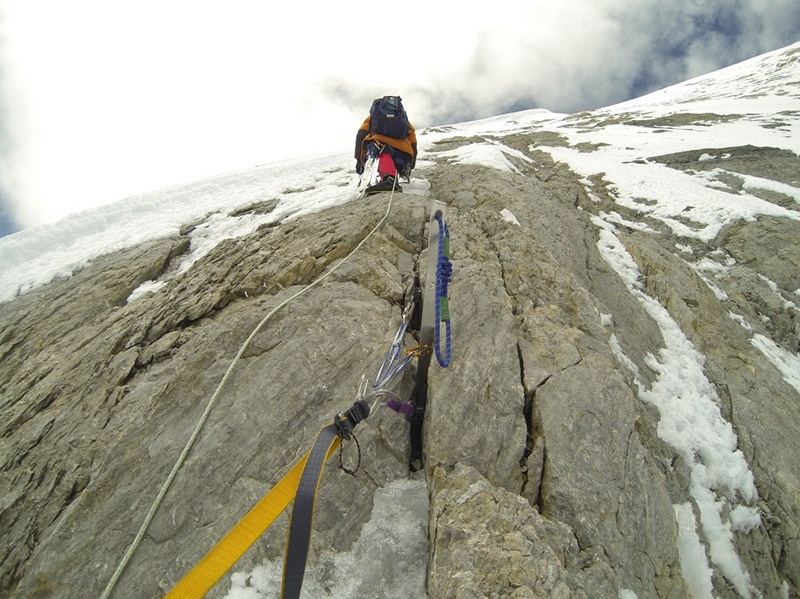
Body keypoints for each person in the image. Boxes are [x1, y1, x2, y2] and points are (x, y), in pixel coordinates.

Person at [355, 96, 417, 193]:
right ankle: (391, 179)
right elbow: (412, 140)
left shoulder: (372, 118)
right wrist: (411, 163)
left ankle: (389, 179)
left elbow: (360, 135)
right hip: (404, 150)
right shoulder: (403, 119)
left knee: (383, 155)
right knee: (394, 160)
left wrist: (359, 159)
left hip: (381, 144)